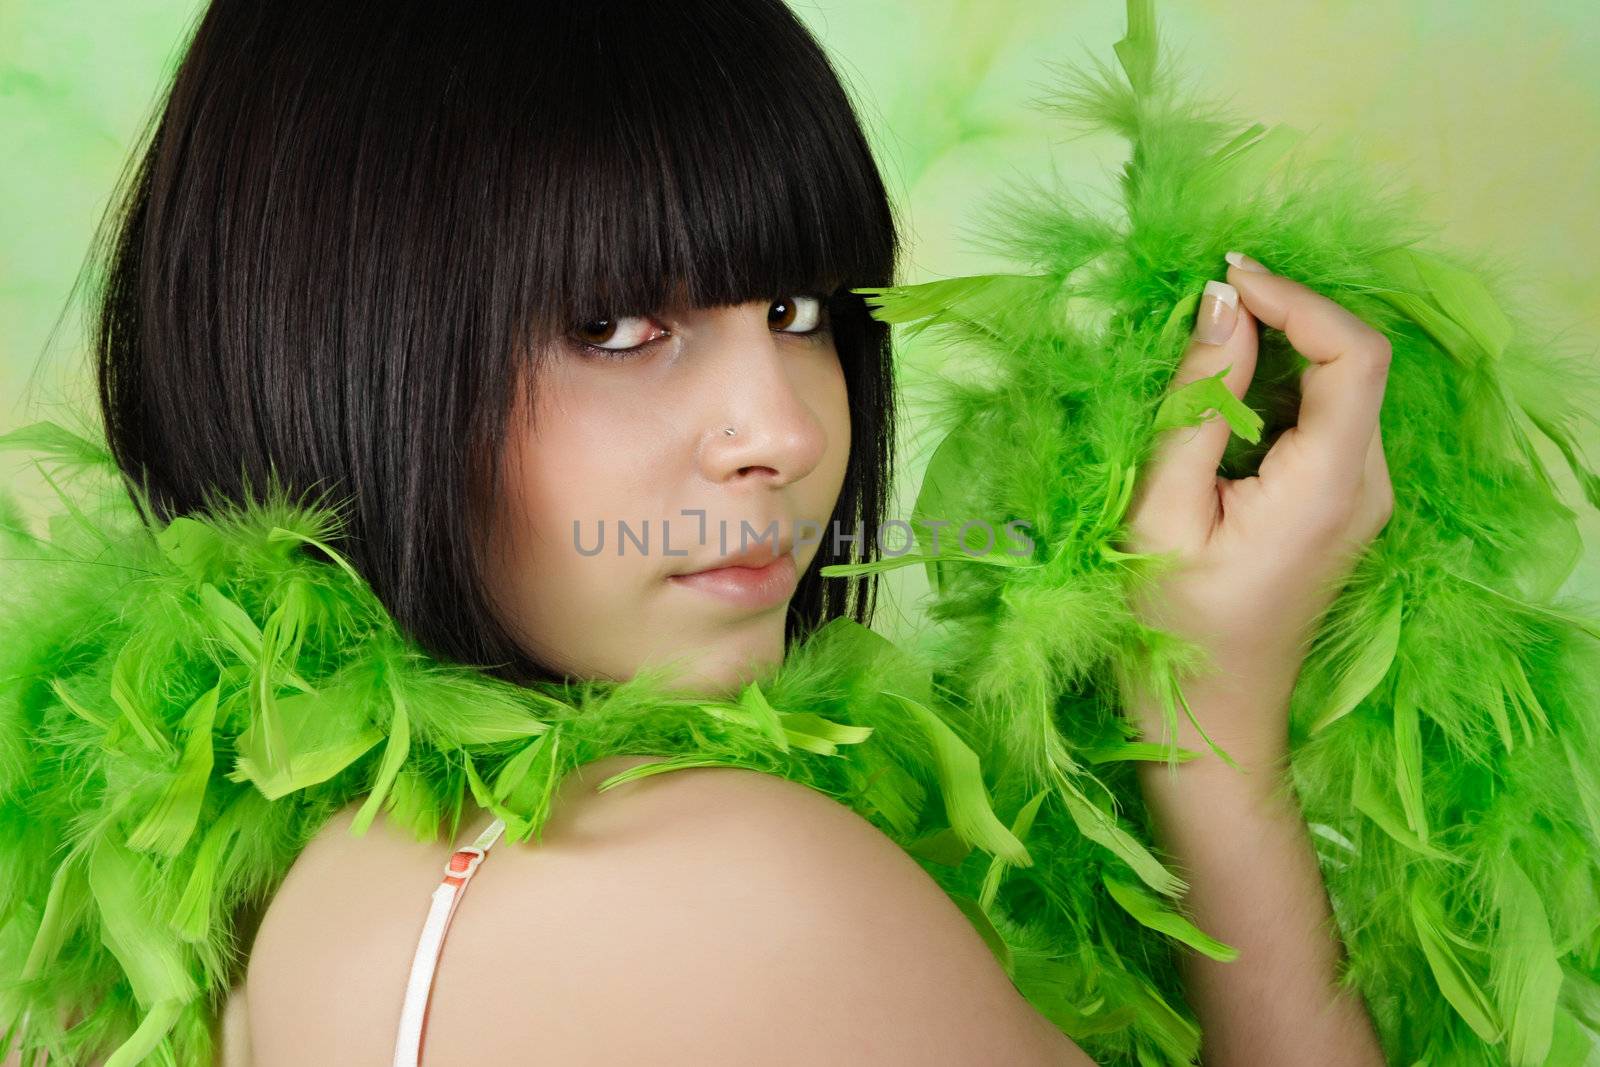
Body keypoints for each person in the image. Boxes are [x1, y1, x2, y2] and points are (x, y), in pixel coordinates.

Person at [3, 2, 1398, 1064]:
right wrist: (1211, 737)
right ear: (335, 342)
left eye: (797, 310)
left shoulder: (226, 869)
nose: (783, 431)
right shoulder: (723, 899)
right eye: (617, 327)